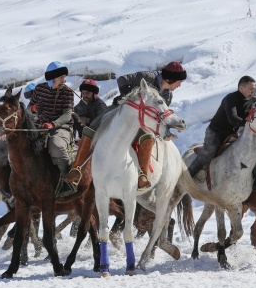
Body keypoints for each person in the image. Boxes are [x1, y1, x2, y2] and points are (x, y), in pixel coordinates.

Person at [63, 61, 187, 191]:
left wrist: (169, 128)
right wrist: (127, 98)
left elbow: (161, 115)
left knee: (148, 139)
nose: (180, 85)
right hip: (120, 111)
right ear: (171, 78)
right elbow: (123, 80)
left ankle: (142, 175)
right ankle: (77, 169)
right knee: (92, 127)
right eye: (179, 81)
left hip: (143, 122)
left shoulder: (168, 95)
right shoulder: (148, 77)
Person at [187, 76, 256, 179]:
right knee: (209, 153)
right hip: (216, 132)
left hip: (233, 134)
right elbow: (233, 119)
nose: (253, 91)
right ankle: (187, 177)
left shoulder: (253, 100)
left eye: (254, 89)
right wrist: (249, 123)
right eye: (251, 89)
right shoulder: (230, 98)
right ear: (241, 88)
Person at [28, 61, 76, 197]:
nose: (64, 79)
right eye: (61, 76)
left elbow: (67, 115)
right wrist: (32, 109)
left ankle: (68, 180)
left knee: (56, 146)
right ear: (53, 77)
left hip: (62, 127)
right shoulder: (39, 89)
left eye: (64, 76)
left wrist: (53, 124)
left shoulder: (68, 92)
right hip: (41, 127)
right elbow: (28, 110)